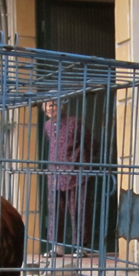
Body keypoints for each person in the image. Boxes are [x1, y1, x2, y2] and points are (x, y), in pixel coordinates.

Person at [42, 99, 97, 258]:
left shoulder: (75, 123)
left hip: (76, 174)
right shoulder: (47, 126)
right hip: (55, 176)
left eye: (52, 105)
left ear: (61, 106)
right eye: (46, 106)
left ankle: (80, 247)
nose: (48, 108)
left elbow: (91, 144)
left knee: (79, 210)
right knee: (54, 212)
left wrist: (85, 159)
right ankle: (57, 247)